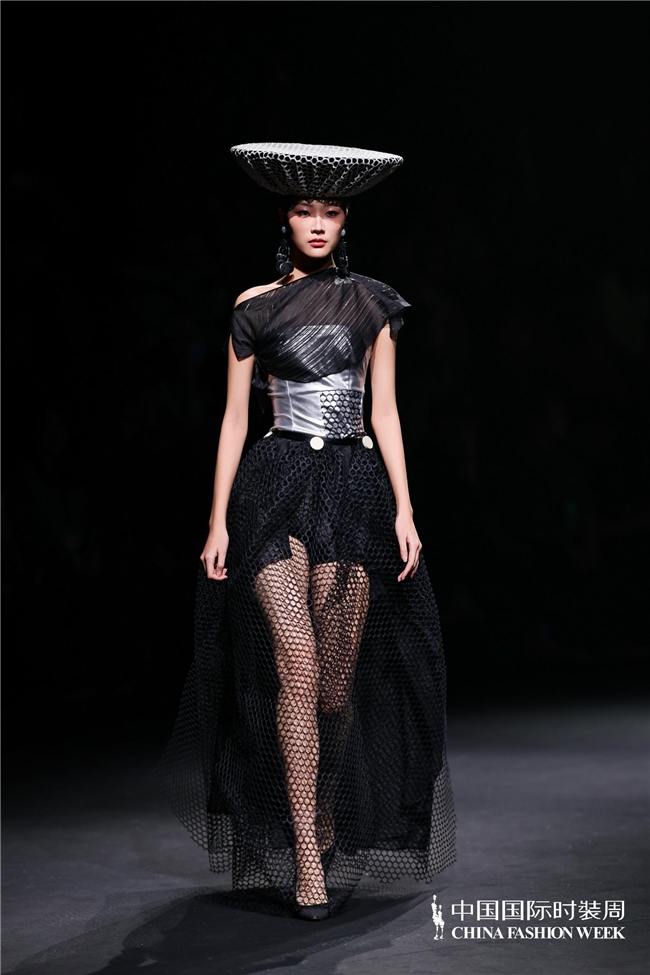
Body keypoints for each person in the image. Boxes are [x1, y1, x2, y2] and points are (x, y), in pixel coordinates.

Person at [158, 143, 456, 921]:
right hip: (273, 485)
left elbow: (384, 410)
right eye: (302, 210)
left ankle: (323, 809)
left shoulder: (374, 304)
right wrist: (217, 519)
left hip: (352, 487)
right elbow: (234, 418)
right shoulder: (254, 305)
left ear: (345, 219)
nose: (316, 223)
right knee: (295, 664)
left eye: (329, 211)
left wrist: (405, 507)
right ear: (284, 220)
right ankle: (305, 857)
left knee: (332, 690)